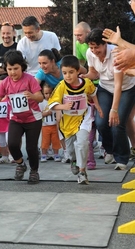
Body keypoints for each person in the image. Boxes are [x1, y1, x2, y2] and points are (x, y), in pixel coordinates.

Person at [81, 28, 135, 170]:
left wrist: (114, 109)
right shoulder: (90, 53)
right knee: (101, 122)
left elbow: (118, 85)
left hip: (125, 89)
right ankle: (109, 149)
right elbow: (94, 73)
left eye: (97, 47)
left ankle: (122, 158)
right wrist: (85, 77)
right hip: (105, 87)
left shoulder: (116, 53)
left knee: (117, 122)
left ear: (105, 44)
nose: (94, 50)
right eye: (91, 47)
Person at [0, 50, 44, 184]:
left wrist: (32, 96)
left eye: (16, 69)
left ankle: (34, 171)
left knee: (31, 148)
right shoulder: (5, 82)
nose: (13, 72)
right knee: (12, 144)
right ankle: (20, 164)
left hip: (33, 118)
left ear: (22, 67)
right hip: (16, 118)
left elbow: (40, 97)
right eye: (10, 69)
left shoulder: (30, 79)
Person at [48, 55, 103, 184]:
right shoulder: (61, 86)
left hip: (83, 118)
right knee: (71, 150)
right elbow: (52, 103)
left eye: (71, 72)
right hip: (67, 122)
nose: (68, 76)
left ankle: (83, 172)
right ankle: (73, 161)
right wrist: (63, 106)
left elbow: (93, 93)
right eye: (65, 73)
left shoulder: (86, 83)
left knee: (83, 143)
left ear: (78, 71)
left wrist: (98, 107)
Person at [39, 83, 61, 162]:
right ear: (43, 93)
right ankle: (44, 154)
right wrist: (46, 113)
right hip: (45, 126)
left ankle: (56, 154)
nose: (48, 95)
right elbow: (39, 114)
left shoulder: (56, 102)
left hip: (55, 125)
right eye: (46, 93)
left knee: (55, 141)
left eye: (50, 93)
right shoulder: (41, 103)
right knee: (45, 141)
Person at [0, 74, 11, 164]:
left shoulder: (10, 97)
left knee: (9, 141)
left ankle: (12, 156)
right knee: (1, 142)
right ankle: (4, 156)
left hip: (9, 123)